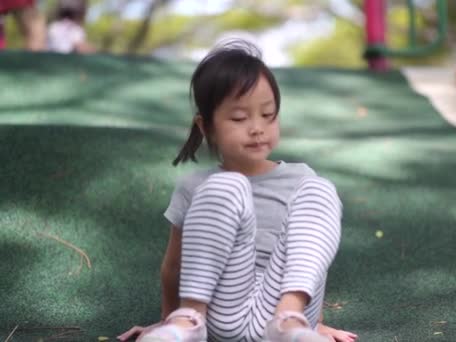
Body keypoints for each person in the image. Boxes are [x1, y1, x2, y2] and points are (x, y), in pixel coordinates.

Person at [118, 40, 357, 342]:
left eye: (268, 114)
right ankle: (187, 323)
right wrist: (167, 322)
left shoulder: (300, 179)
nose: (256, 127)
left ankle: (292, 323)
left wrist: (314, 323)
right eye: (239, 118)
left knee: (320, 189)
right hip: (219, 314)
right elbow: (174, 265)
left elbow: (311, 260)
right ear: (206, 127)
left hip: (282, 314)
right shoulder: (196, 186)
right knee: (226, 184)